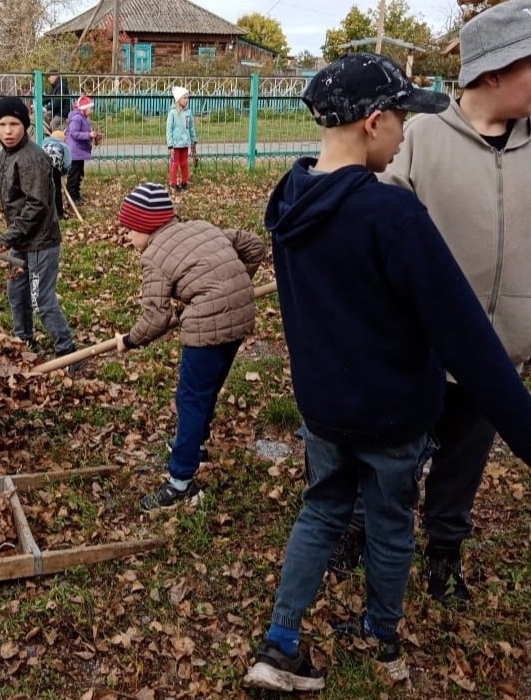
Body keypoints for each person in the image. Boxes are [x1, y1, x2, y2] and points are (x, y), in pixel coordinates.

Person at [243, 52, 531, 694]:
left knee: (319, 514)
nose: (406, 134)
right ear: (373, 123)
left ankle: (279, 643)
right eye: (401, 117)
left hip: (324, 409)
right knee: (392, 520)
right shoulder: (393, 217)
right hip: (395, 414)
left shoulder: (289, 203)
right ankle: (382, 635)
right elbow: (465, 338)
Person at [329, 0, 531, 607]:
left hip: (500, 348)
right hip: (423, 346)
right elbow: (375, 231)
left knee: (464, 461)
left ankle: (445, 554)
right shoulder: (420, 135)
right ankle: (362, 531)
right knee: (395, 452)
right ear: (494, 71)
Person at [114, 182, 266, 510]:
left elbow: (155, 318)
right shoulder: (200, 227)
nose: (128, 237)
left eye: (130, 230)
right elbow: (254, 246)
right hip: (240, 316)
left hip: (208, 326)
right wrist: (235, 283)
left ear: (146, 227)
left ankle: (181, 482)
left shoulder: (154, 257)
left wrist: (128, 340)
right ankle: (193, 445)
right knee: (207, 389)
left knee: (190, 398)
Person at [0, 96, 85, 375]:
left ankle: (69, 355)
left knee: (41, 300)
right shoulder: (5, 156)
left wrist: (6, 236)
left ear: (26, 126)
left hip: (41, 241)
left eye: (15, 124)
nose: (8, 131)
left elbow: (37, 205)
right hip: (21, 239)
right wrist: (12, 235)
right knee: (17, 294)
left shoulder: (32, 159)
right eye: (2, 124)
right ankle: (24, 344)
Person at [65, 95, 96, 207]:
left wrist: (91, 135)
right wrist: (88, 135)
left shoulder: (83, 118)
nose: (91, 111)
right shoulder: (77, 118)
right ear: (84, 108)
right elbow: (74, 133)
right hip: (74, 152)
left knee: (79, 174)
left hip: (79, 152)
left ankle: (76, 194)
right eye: (90, 108)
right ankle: (72, 196)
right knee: (74, 175)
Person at [166, 86, 197, 192]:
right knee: (174, 164)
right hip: (175, 145)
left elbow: (191, 127)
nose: (187, 100)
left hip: (185, 144)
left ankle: (184, 182)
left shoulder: (188, 113)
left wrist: (193, 140)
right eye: (184, 98)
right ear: (178, 99)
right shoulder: (172, 113)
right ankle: (173, 183)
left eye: (188, 98)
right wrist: (170, 145)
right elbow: (169, 130)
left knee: (184, 164)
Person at [41, 130, 72, 220]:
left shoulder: (44, 143)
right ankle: (59, 214)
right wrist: (63, 172)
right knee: (56, 190)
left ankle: (45, 212)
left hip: (41, 167)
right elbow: (67, 162)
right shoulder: (63, 146)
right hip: (54, 168)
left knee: (44, 190)